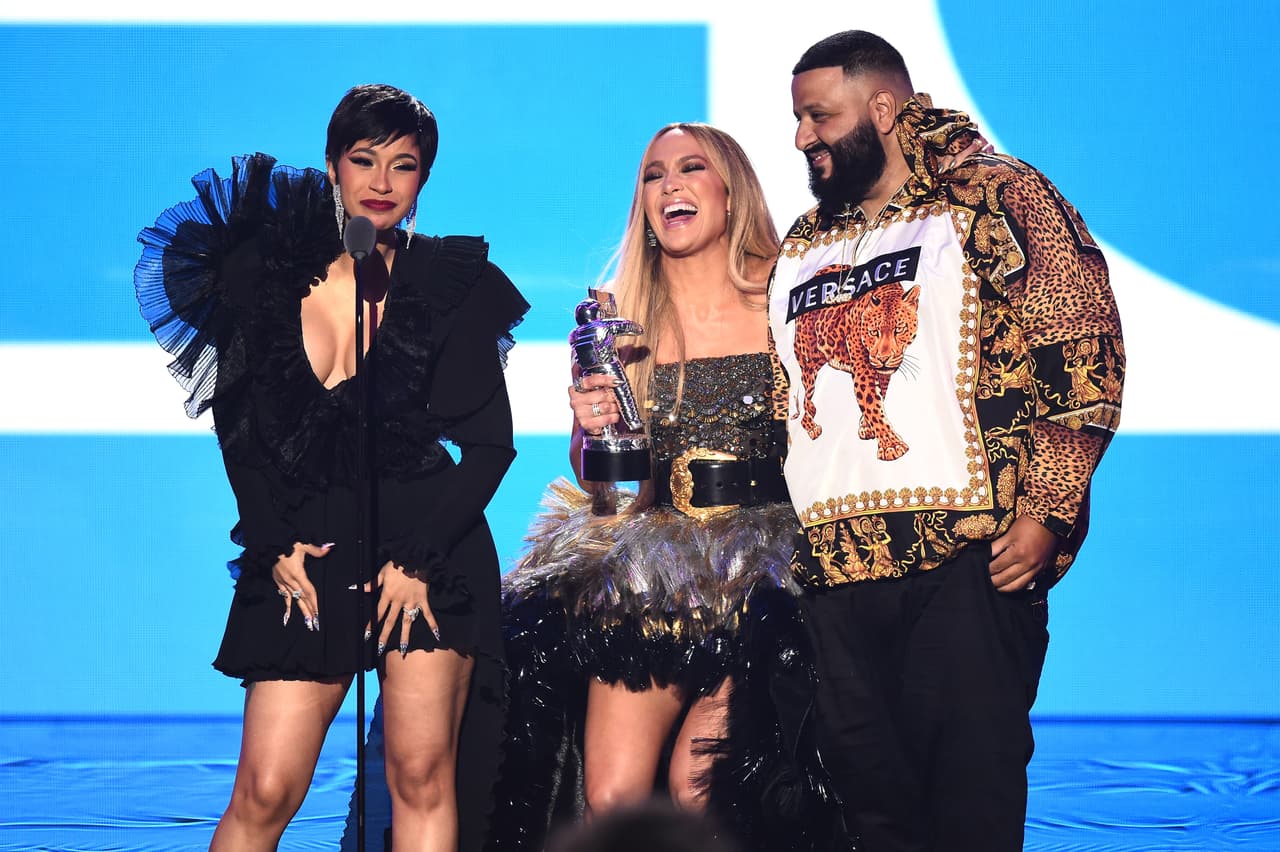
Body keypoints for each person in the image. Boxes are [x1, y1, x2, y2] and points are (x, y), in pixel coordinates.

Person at [134, 83, 528, 852]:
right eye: (364, 159)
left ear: (423, 181)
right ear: (331, 167)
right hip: (301, 553)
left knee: (419, 777)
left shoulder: (454, 287)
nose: (381, 182)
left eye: (404, 165)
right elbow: (237, 421)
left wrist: (419, 560)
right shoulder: (259, 273)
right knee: (266, 788)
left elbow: (489, 446)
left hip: (428, 553)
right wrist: (272, 538)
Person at [768, 30, 1126, 851]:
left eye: (819, 116)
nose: (801, 138)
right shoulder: (802, 242)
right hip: (835, 579)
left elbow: (1080, 342)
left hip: (966, 569)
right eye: (796, 119)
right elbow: (788, 396)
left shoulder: (995, 195)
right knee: (874, 822)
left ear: (885, 108)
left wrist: (1047, 511)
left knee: (970, 808)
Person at [489, 123, 846, 852]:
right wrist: (593, 428)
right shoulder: (617, 316)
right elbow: (619, 498)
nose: (670, 186)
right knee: (612, 793)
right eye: (654, 175)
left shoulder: (788, 296)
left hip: (773, 580)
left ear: (730, 189)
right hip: (656, 575)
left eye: (691, 169)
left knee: (701, 783)